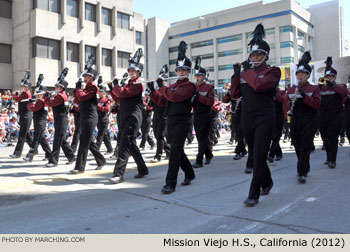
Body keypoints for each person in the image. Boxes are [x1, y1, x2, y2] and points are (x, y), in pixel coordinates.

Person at [230, 24, 281, 206]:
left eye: (259, 54)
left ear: (266, 55)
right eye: (253, 54)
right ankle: (267, 181)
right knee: (254, 153)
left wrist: (245, 72)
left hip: (265, 117)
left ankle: (254, 193)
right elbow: (234, 95)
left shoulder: (273, 71)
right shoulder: (246, 73)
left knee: (259, 155)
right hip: (247, 117)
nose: (255, 57)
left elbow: (260, 85)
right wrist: (235, 76)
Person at [148, 41, 196, 194]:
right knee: (177, 149)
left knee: (175, 151)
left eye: (184, 70)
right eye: (179, 70)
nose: (181, 72)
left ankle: (170, 183)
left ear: (188, 71)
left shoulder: (189, 86)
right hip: (171, 120)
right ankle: (189, 173)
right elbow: (162, 102)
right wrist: (152, 91)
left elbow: (175, 97)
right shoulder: (171, 86)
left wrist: (162, 87)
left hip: (183, 120)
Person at [108, 49, 149, 183]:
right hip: (125, 115)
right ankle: (143, 169)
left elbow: (122, 93)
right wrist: (111, 88)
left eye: (134, 71)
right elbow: (120, 99)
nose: (131, 73)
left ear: (138, 73)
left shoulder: (138, 84)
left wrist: (116, 86)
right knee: (131, 144)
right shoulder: (127, 84)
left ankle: (118, 174)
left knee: (124, 144)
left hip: (134, 117)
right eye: (130, 71)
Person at [284, 51, 321, 183]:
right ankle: (303, 166)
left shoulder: (314, 88)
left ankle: (302, 171)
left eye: (303, 74)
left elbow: (317, 105)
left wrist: (304, 97)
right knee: (297, 145)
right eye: (298, 74)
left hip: (309, 120)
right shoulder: (290, 90)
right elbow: (285, 106)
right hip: (295, 120)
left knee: (305, 146)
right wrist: (290, 101)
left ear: (308, 75)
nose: (300, 76)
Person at [69, 69, 106, 174]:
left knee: (84, 141)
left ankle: (80, 167)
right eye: (84, 76)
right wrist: (77, 89)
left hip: (90, 116)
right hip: (84, 115)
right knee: (87, 140)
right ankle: (101, 160)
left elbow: (82, 97)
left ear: (92, 78)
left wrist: (78, 89)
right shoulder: (86, 87)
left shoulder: (93, 87)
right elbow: (78, 99)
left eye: (86, 76)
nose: (84, 78)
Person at [318, 57, 348, 168]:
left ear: (334, 77)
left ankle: (332, 160)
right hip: (322, 116)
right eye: (327, 76)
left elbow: (344, 93)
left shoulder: (340, 86)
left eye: (331, 76)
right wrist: (319, 88)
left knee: (332, 138)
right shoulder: (322, 88)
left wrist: (333, 85)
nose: (328, 78)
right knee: (325, 138)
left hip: (335, 116)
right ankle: (328, 157)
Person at [44, 80, 75, 167]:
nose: (56, 88)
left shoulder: (60, 96)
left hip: (61, 119)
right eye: (56, 87)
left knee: (57, 140)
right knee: (62, 140)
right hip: (60, 118)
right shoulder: (61, 95)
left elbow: (50, 103)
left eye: (58, 87)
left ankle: (53, 161)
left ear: (62, 88)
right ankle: (71, 156)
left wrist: (46, 97)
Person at [191, 57, 215, 168]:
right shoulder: (193, 87)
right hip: (196, 114)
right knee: (200, 137)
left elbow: (210, 102)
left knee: (202, 137)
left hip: (205, 114)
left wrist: (199, 97)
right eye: (196, 76)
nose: (197, 77)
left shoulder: (209, 87)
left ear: (204, 76)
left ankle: (199, 160)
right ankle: (209, 155)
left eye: (199, 75)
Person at [24, 86, 52, 162]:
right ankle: (49, 155)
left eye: (39, 95)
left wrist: (29, 103)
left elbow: (33, 108)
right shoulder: (42, 101)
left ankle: (29, 156)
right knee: (42, 140)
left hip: (40, 122)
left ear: (43, 95)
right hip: (39, 122)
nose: (36, 96)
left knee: (36, 140)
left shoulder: (41, 101)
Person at [148, 78, 171, 163]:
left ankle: (158, 156)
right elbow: (151, 103)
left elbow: (160, 101)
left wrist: (153, 91)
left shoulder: (167, 92)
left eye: (163, 84)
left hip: (164, 116)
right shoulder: (158, 92)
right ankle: (169, 151)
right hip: (156, 115)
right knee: (157, 136)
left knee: (160, 136)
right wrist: (151, 92)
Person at [10, 79, 33, 158]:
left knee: (22, 135)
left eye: (24, 86)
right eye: (22, 86)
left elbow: (16, 99)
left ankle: (17, 153)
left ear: (27, 87)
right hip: (25, 115)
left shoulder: (25, 93)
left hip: (26, 115)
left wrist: (15, 94)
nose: (22, 87)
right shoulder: (26, 92)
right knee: (26, 135)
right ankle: (34, 149)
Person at [267, 87, 285, 162]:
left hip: (279, 116)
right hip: (268, 117)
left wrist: (275, 94)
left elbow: (284, 100)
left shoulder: (281, 92)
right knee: (270, 136)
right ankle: (279, 153)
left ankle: (271, 155)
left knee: (276, 136)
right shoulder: (266, 92)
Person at [95, 85, 113, 154]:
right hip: (99, 119)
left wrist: (98, 106)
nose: (99, 93)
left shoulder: (106, 100)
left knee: (100, 135)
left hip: (104, 119)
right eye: (99, 91)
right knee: (104, 135)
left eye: (100, 92)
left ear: (103, 93)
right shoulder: (98, 100)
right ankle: (110, 149)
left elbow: (107, 109)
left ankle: (96, 150)